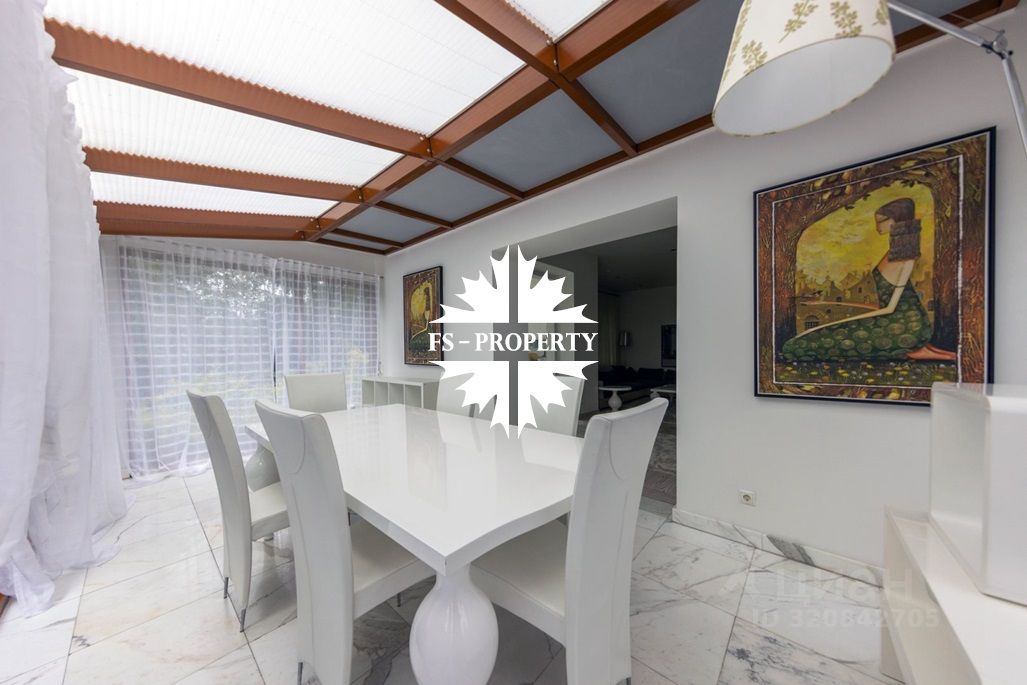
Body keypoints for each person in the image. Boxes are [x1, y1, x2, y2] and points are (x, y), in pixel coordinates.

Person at [781, 198, 955, 362]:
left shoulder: (906, 259)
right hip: (897, 321)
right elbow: (883, 305)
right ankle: (922, 349)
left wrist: (827, 325)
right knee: (807, 340)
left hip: (907, 325)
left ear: (895, 221)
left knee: (796, 347)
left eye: (881, 221)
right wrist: (829, 307)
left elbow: (890, 308)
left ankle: (916, 348)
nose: (877, 226)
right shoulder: (893, 254)